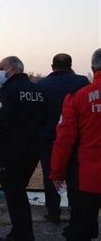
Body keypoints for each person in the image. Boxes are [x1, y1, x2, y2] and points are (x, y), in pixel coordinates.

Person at [0, 56, 46, 241]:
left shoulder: (8, 90)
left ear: (12, 70)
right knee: (19, 190)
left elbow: (0, 121)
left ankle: (22, 234)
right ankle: (23, 232)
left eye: (1, 68)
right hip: (33, 151)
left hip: (13, 151)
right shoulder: (37, 90)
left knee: (14, 192)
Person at [50, 48, 101, 241]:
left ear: (93, 68)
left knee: (80, 230)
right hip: (87, 175)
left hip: (87, 177)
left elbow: (64, 139)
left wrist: (57, 173)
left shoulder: (77, 97)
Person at [36, 53, 89, 224]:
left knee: (51, 176)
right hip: (76, 138)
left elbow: (38, 115)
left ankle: (53, 213)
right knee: (75, 176)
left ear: (52, 67)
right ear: (71, 65)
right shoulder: (81, 82)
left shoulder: (42, 84)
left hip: (49, 137)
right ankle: (76, 212)